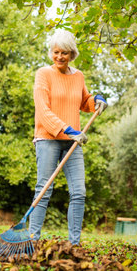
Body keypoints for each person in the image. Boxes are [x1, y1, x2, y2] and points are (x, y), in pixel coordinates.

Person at [29, 29, 107, 245]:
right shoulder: (43, 74)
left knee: (79, 192)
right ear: (51, 53)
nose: (59, 57)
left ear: (72, 53)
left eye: (64, 53)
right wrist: (69, 130)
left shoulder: (78, 76)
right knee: (44, 190)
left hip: (73, 142)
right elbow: (43, 112)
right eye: (56, 52)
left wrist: (96, 100)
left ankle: (74, 244)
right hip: (48, 139)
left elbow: (83, 102)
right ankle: (33, 239)